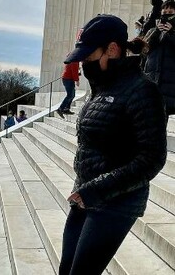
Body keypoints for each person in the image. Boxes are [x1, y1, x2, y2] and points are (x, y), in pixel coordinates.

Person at [61, 14, 167, 275]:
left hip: (116, 202)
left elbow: (152, 158)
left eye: (89, 56)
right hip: (86, 194)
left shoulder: (142, 91)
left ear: (112, 49)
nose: (85, 63)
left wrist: (95, 190)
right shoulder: (101, 88)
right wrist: (85, 189)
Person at [143, 0, 175, 120]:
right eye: (164, 13)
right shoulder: (153, 31)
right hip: (152, 82)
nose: (167, 16)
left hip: (169, 85)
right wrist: (157, 31)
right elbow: (145, 49)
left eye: (170, 13)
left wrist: (171, 33)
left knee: (162, 119)